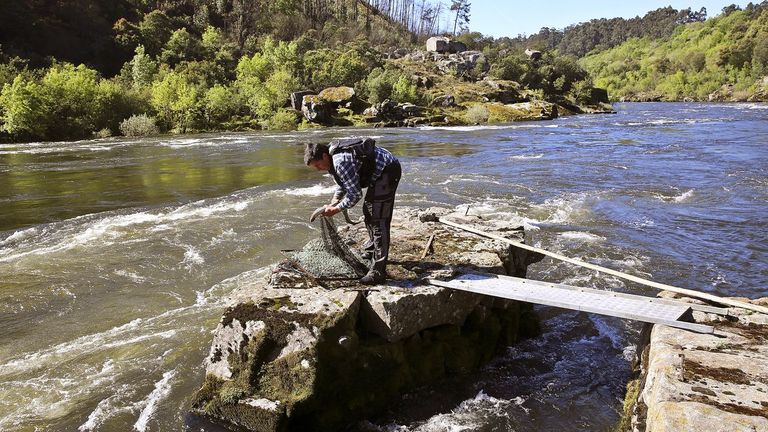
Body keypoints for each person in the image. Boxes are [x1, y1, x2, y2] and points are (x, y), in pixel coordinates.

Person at [304, 137, 401, 284]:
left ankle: (378, 271)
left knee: (378, 218)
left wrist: (336, 209)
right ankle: (372, 248)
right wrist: (335, 200)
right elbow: (343, 182)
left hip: (388, 169)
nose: (318, 169)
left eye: (318, 165)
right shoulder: (331, 159)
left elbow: (355, 194)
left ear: (324, 156)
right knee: (369, 210)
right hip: (379, 172)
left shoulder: (340, 162)